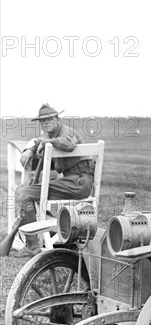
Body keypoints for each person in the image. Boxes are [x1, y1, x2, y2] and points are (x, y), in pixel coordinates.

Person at [11, 104, 95, 258]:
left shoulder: (66, 132)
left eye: (49, 119)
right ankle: (41, 236)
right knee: (25, 188)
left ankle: (32, 246)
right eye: (42, 121)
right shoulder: (50, 136)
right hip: (73, 182)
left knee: (23, 193)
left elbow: (69, 144)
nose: (45, 123)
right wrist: (30, 150)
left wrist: (46, 143)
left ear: (57, 118)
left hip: (78, 183)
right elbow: (39, 142)